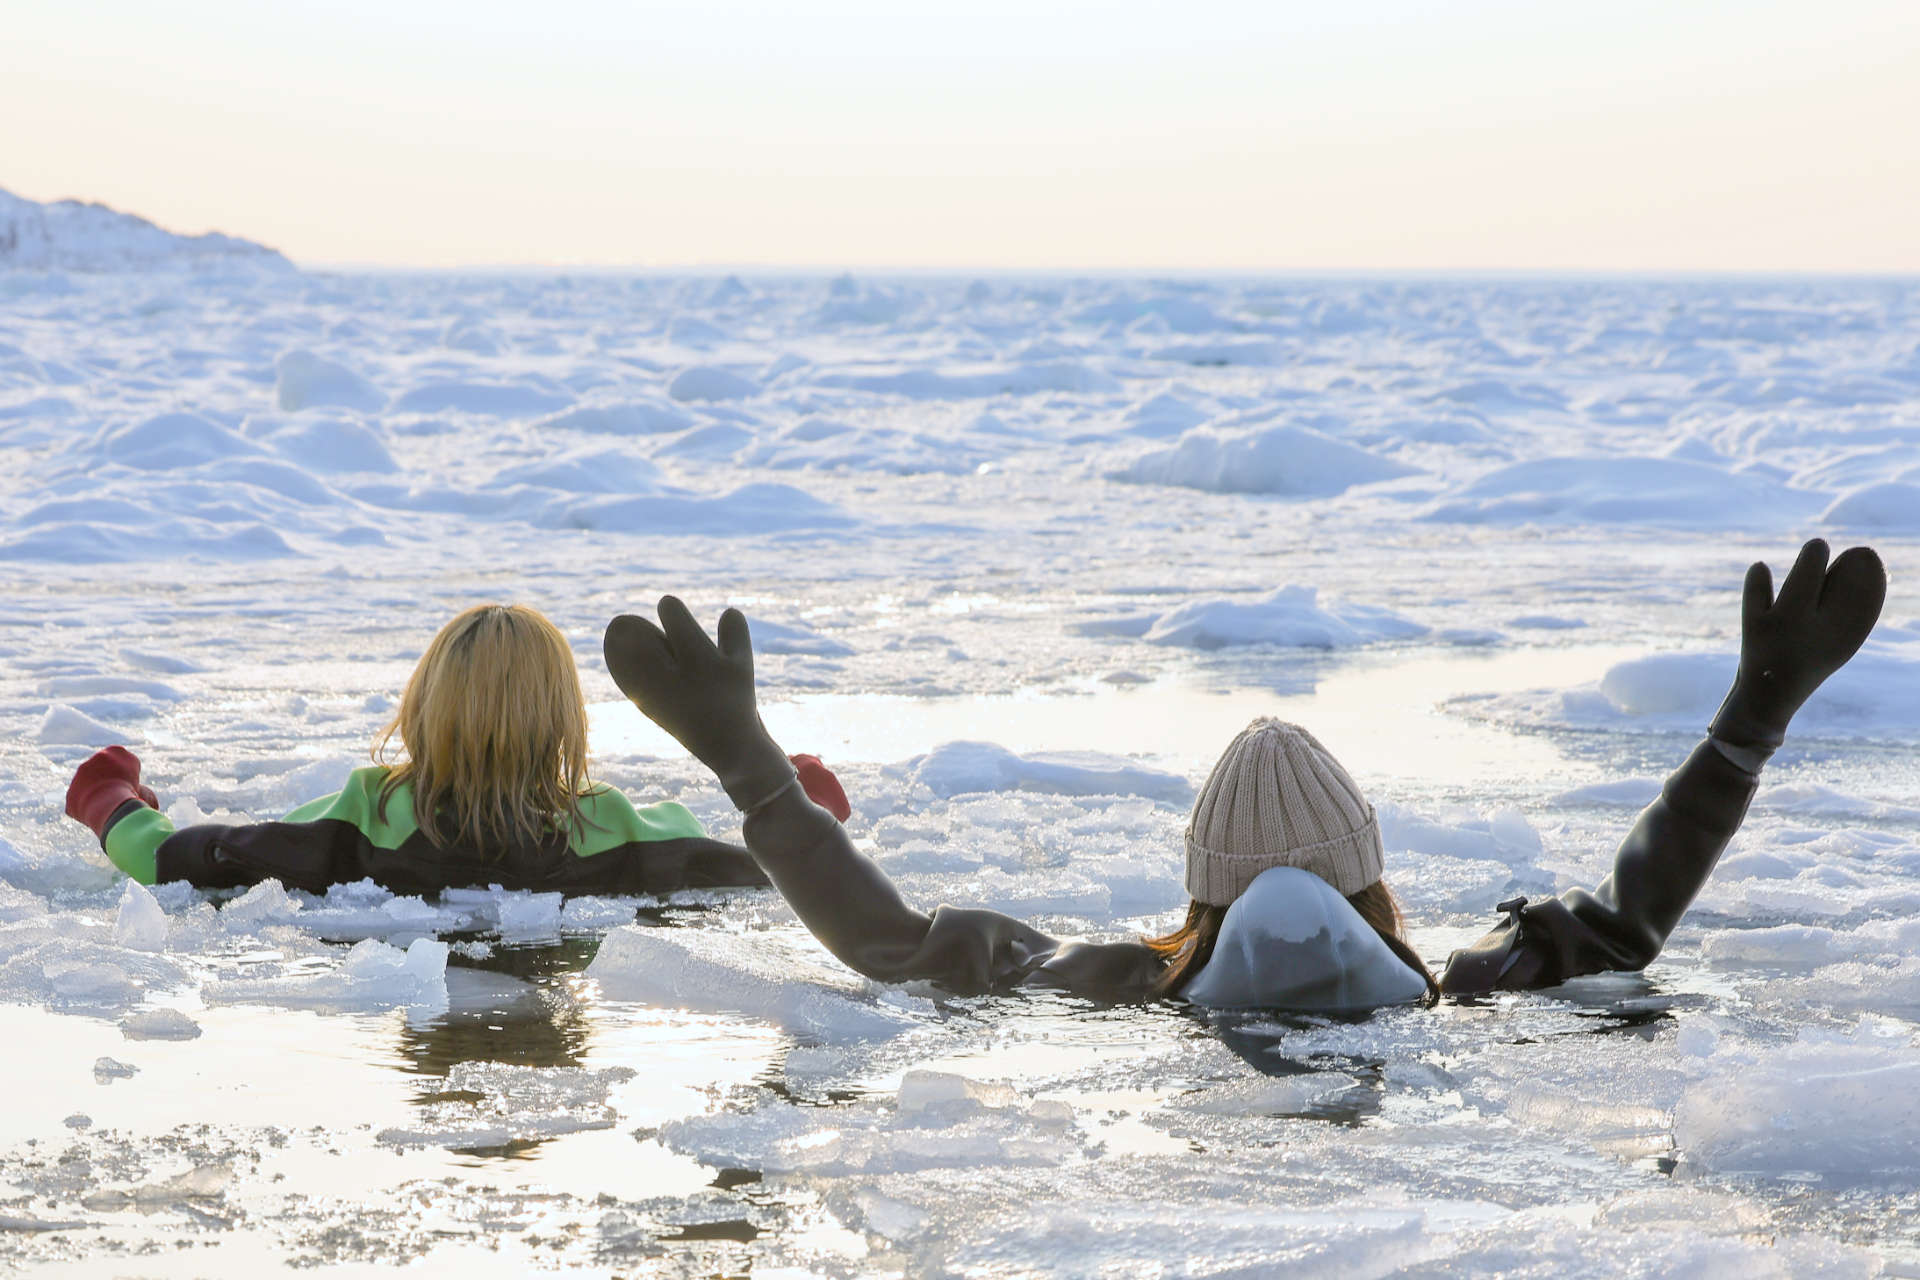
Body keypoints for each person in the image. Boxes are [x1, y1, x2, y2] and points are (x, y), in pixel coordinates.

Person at [601, 539, 1886, 1007]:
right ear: (1373, 879)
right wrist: (1746, 723)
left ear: (1200, 889)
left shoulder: (1107, 979)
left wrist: (752, 768)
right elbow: (1627, 919)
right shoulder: (1457, 986)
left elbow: (889, 943)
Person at [64, 603, 850, 898]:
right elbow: (784, 869)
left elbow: (172, 862)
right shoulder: (612, 825)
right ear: (564, 722)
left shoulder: (364, 813)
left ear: (424, 705)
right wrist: (808, 796)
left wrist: (110, 793)